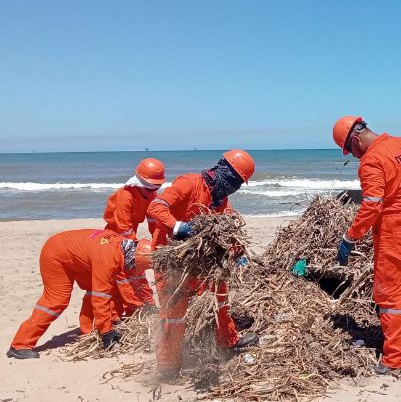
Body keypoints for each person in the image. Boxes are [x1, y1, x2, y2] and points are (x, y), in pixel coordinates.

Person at [332, 116, 401, 376]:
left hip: (397, 229)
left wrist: (350, 237)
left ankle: (397, 360)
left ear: (355, 139)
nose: (353, 156)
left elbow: (372, 205)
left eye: (350, 150)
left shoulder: (371, 162)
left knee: (390, 296)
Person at [146, 150, 258, 377]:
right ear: (222, 172)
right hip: (170, 257)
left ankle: (227, 340)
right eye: (234, 181)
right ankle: (169, 365)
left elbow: (224, 230)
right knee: (174, 311)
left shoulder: (220, 199)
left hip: (198, 260)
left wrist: (239, 252)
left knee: (220, 293)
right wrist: (177, 226)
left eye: (238, 184)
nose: (234, 187)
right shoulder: (188, 183)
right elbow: (156, 207)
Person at [7, 231, 153, 359]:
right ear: (133, 259)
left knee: (96, 287)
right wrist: (107, 331)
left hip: (75, 253)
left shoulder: (124, 246)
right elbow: (100, 297)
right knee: (56, 300)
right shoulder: (107, 260)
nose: (132, 268)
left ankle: (87, 331)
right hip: (56, 254)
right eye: (134, 266)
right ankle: (20, 345)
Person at [103, 157, 166, 317]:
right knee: (127, 274)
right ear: (141, 183)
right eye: (151, 188)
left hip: (130, 235)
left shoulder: (150, 194)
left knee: (135, 273)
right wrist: (136, 247)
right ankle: (140, 308)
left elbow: (154, 222)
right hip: (114, 237)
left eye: (155, 188)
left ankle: (144, 307)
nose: (153, 191)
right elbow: (123, 227)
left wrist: (159, 244)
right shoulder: (126, 195)